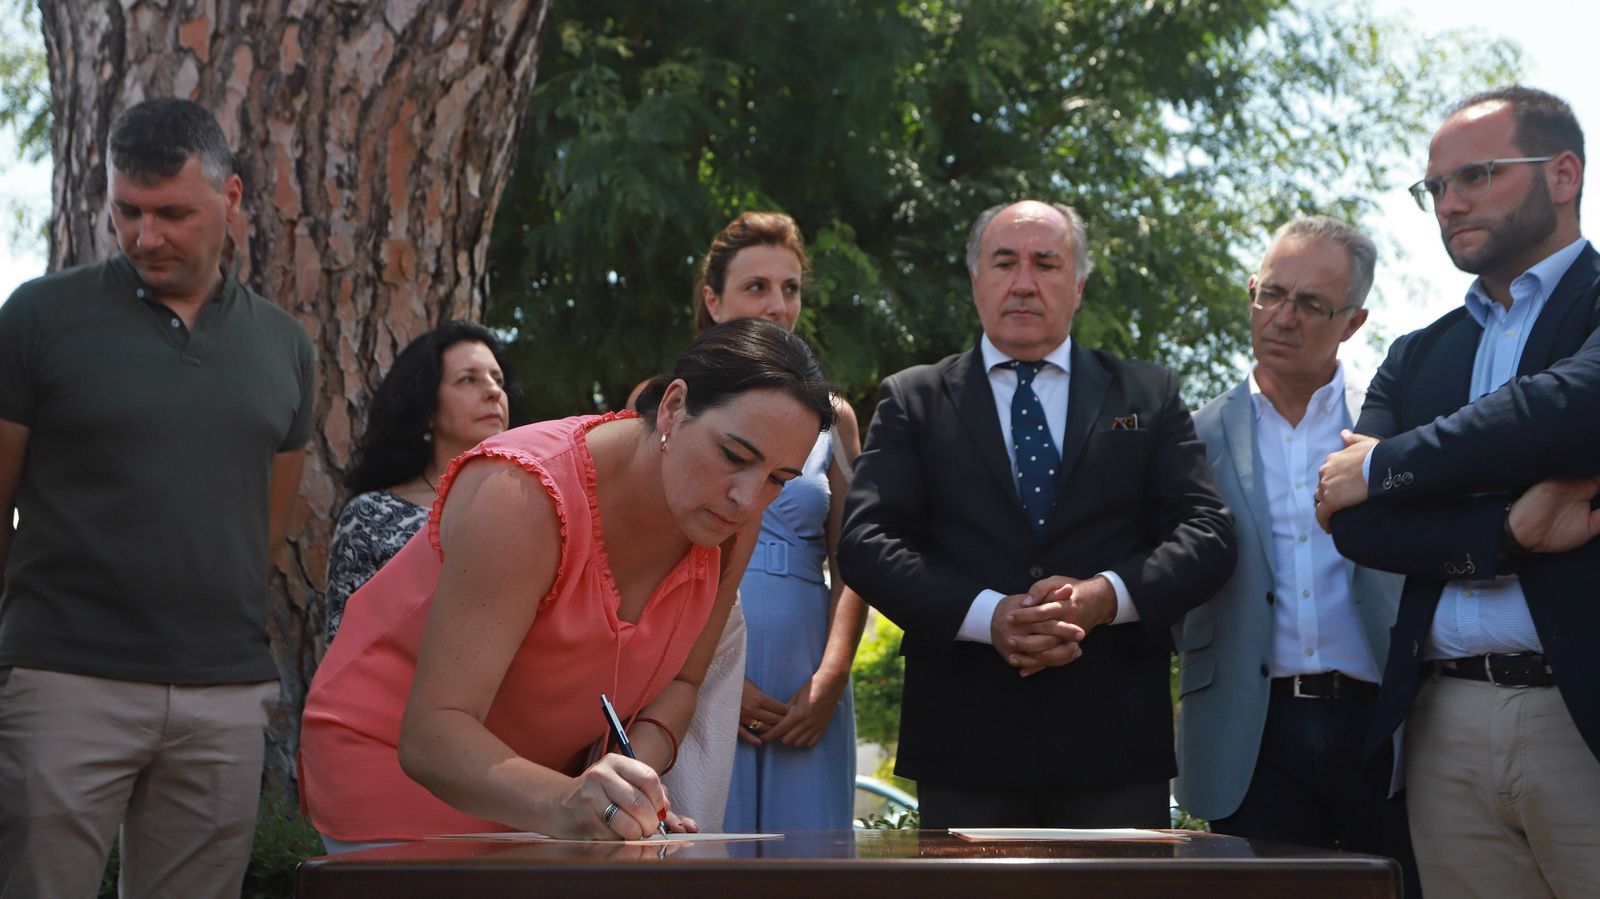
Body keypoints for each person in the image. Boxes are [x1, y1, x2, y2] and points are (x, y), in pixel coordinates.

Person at [300, 319, 836, 846]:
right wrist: (567, 802)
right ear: (673, 406)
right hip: (396, 774)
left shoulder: (730, 524)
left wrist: (624, 791)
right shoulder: (522, 494)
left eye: (777, 480)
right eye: (733, 456)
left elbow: (682, 685)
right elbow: (430, 735)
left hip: (549, 802)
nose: (747, 497)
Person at [0, 99, 314, 898]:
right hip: (64, 678)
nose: (147, 237)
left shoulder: (283, 345)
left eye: (173, 213)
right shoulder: (39, 316)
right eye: (127, 212)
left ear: (232, 198)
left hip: (222, 690)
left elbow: (264, 527)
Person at [838, 199, 1236, 828]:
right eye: (1004, 263)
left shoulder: (1147, 394)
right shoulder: (914, 399)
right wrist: (987, 614)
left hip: (1114, 742)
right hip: (964, 742)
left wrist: (1106, 596)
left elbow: (1207, 532)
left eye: (1046, 263)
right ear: (976, 282)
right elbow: (865, 540)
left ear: (1078, 285)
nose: (1023, 282)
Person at [1317, 86, 1600, 897]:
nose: (1449, 203)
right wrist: (1507, 530)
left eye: (1476, 175)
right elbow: (1356, 525)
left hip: (1580, 714)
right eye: (1434, 187)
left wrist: (1389, 464)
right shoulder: (1418, 353)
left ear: (1564, 173)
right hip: (1442, 723)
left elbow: (1567, 411)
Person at [1174, 216, 1418, 895]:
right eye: (1271, 293)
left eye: (1312, 303)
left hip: (1388, 728)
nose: (1283, 316)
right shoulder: (1189, 437)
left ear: (1354, 320)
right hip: (1248, 733)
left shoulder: (1395, 429)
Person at [691, 213, 868, 832]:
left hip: (805, 669)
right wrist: (704, 676)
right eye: (756, 287)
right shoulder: (670, 399)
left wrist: (830, 677)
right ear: (713, 301)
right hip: (697, 655)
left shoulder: (835, 417)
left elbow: (853, 557)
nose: (777, 305)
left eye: (790, 288)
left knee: (809, 855)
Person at [325, 321, 517, 638]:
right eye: (468, 379)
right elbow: (343, 652)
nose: (494, 391)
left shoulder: (537, 508)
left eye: (498, 379)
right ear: (427, 407)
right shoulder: (371, 517)